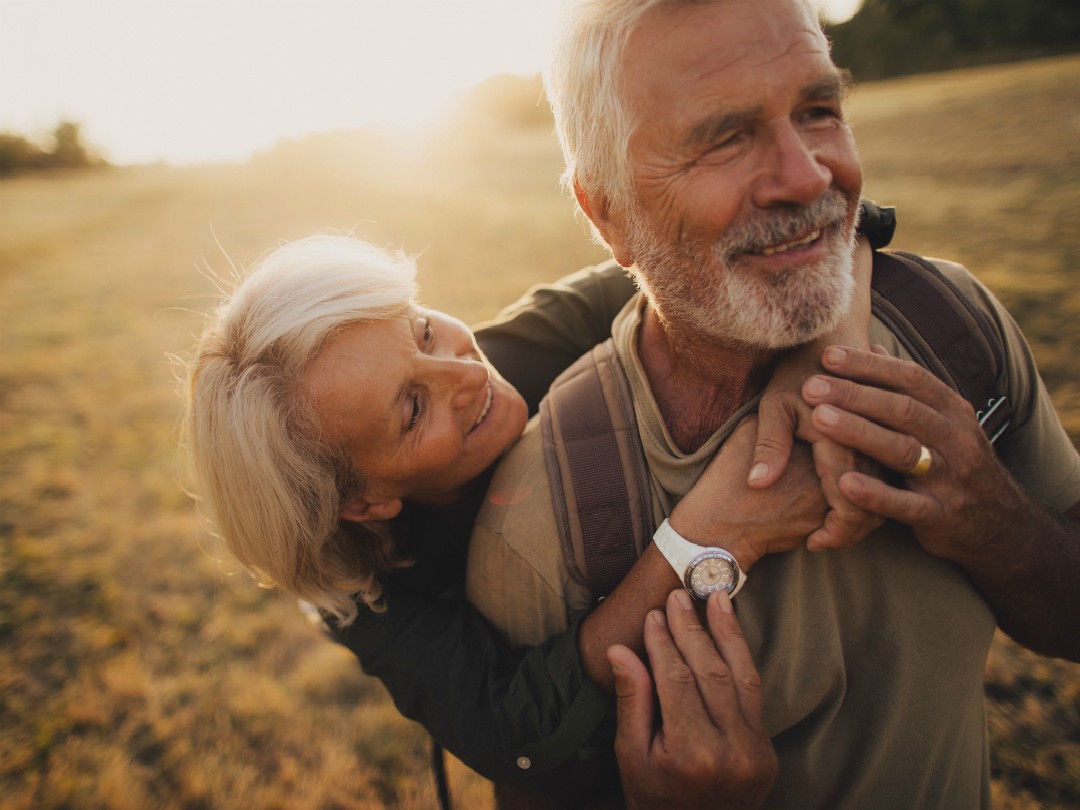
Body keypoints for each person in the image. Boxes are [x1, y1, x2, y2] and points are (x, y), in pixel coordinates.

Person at [465, 0, 1080, 807]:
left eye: (819, 111)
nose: (809, 176)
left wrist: (998, 523)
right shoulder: (543, 524)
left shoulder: (953, 327)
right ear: (606, 210)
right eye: (723, 137)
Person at [182, 227, 886, 805]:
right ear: (365, 503)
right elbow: (510, 729)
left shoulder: (523, 341)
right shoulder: (361, 592)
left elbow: (806, 229)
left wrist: (822, 363)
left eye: (422, 331)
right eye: (414, 409)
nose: (468, 373)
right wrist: (711, 535)